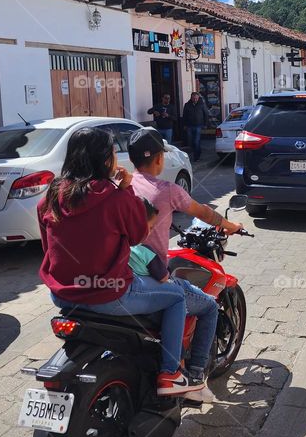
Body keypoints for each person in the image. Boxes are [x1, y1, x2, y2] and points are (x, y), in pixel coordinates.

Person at [37, 127, 202, 397]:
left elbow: (48, 248)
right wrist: (126, 190)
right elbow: (138, 235)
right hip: (110, 292)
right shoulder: (113, 197)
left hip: (62, 295)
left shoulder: (50, 198)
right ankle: (171, 373)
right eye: (113, 153)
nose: (116, 158)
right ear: (105, 160)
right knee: (175, 297)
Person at [128, 128, 242, 400]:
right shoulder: (167, 190)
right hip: (152, 275)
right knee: (209, 307)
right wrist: (230, 226)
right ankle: (193, 376)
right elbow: (202, 212)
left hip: (126, 270)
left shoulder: (124, 186)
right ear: (158, 159)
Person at [181, 91, 210, 161]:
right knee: (190, 141)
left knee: (196, 141)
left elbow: (206, 114)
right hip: (189, 125)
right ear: (191, 98)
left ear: (198, 98)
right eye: (194, 98)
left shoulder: (202, 105)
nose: (195, 100)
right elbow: (184, 115)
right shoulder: (187, 105)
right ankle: (196, 152)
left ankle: (197, 156)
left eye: (196, 98)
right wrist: (184, 125)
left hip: (198, 125)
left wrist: (206, 124)